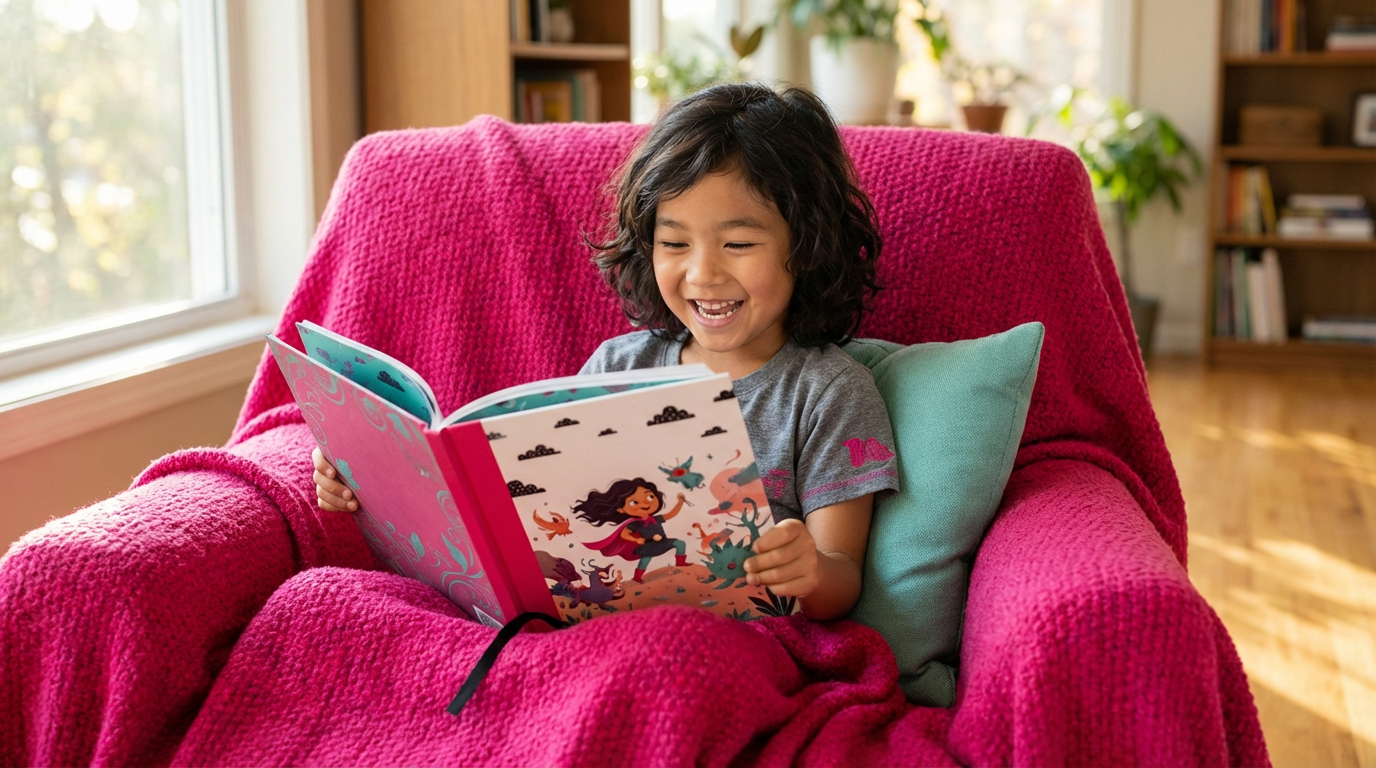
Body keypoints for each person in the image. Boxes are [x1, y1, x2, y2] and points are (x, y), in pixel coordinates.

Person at [315, 82, 898, 620]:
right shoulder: (617, 367)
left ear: (810, 245)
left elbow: (842, 580)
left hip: (731, 638)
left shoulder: (828, 391)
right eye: (674, 243)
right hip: (585, 626)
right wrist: (370, 480)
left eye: (739, 243)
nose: (703, 272)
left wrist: (808, 570)